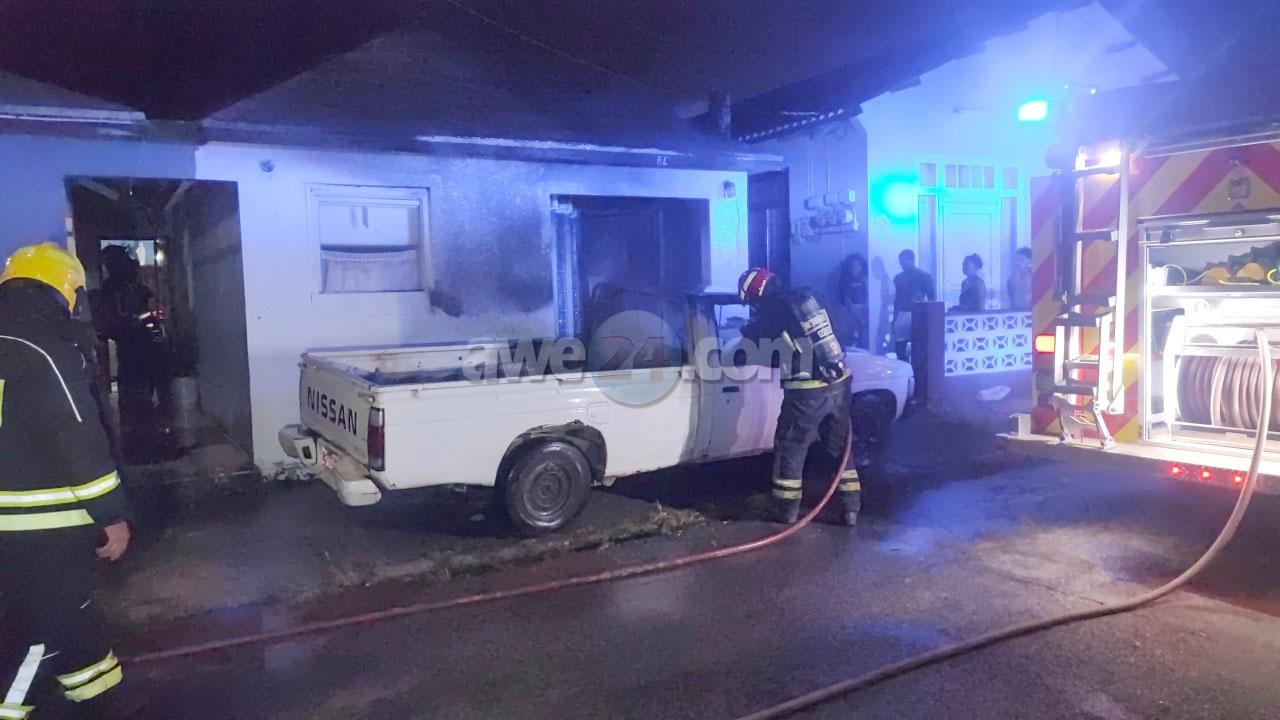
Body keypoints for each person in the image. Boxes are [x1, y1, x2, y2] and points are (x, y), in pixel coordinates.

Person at [0, 243, 134, 719]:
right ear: (65, 292)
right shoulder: (43, 348)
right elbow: (77, 439)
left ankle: (100, 694)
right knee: (43, 634)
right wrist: (112, 515)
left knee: (69, 616)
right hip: (42, 529)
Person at [738, 267, 863, 526]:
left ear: (757, 295)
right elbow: (843, 328)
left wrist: (746, 331)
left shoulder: (774, 310)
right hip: (840, 384)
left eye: (751, 302)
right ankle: (850, 509)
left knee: (791, 446)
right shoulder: (814, 297)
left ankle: (785, 511)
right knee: (839, 448)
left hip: (806, 393)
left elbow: (755, 347)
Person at [891, 249, 936, 362]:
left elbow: (932, 300)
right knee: (900, 347)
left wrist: (930, 319)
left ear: (912, 260)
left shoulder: (924, 277)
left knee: (918, 347)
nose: (902, 265)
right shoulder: (898, 278)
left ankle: (917, 370)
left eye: (904, 262)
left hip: (918, 315)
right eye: (900, 263)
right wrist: (895, 319)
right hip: (902, 314)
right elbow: (897, 300)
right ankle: (904, 369)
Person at [838, 253, 869, 349]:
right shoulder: (845, 281)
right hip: (851, 314)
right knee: (853, 338)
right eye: (852, 266)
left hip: (865, 312)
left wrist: (865, 309)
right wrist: (858, 315)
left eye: (857, 266)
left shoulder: (866, 280)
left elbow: (869, 296)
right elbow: (847, 301)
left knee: (865, 338)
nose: (855, 269)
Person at [1007, 246, 1033, 311]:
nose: (1018, 262)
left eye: (1022, 260)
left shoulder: (1034, 274)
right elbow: (1010, 291)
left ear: (1029, 261)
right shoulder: (1013, 275)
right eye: (1017, 259)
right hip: (1015, 309)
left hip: (1030, 310)